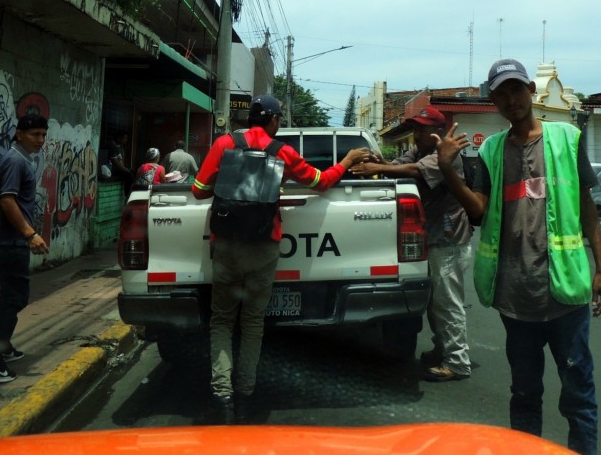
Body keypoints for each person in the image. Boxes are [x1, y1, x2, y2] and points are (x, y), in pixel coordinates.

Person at [435, 59, 601, 455]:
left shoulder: (568, 138)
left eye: (516, 89)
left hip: (566, 296)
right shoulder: (492, 150)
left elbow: (587, 208)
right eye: (501, 93)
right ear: (492, 100)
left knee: (578, 396)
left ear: (531, 90)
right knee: (524, 395)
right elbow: (478, 210)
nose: (511, 99)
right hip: (516, 300)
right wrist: (449, 170)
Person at [191, 94, 370, 422]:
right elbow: (321, 183)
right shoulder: (282, 152)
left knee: (222, 321)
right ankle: (245, 394)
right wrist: (346, 162)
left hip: (227, 245)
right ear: (273, 121)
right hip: (263, 247)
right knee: (253, 322)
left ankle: (222, 396)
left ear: (249, 120)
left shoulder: (224, 144)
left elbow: (198, 190)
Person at [352, 105, 473, 382]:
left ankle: (457, 362)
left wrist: (377, 167)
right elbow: (398, 166)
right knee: (435, 303)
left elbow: (415, 172)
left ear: (439, 132)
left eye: (424, 129)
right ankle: (443, 350)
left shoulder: (446, 155)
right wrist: (378, 161)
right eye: (416, 128)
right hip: (434, 239)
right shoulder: (420, 150)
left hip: (449, 239)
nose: (417, 134)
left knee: (447, 303)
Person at [0, 113, 51, 385]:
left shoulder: (19, 159)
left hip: (11, 239)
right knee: (14, 298)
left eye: (43, 135)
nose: (40, 140)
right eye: (35, 134)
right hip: (11, 241)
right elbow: (7, 201)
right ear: (19, 134)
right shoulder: (14, 161)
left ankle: (3, 348)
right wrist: (29, 234)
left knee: (11, 296)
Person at [105, 130, 134, 196]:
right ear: (118, 138)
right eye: (124, 138)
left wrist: (125, 169)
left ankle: (129, 192)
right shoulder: (112, 145)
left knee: (131, 172)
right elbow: (115, 162)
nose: (125, 140)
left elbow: (120, 161)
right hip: (110, 169)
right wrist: (125, 170)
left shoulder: (119, 147)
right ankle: (127, 195)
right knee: (130, 175)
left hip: (116, 169)